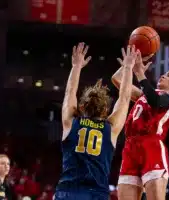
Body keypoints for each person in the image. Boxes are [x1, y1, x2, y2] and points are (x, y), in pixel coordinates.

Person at [54, 43, 139, 200]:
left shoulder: (71, 122)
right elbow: (125, 98)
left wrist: (76, 66)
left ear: (81, 106)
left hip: (68, 192)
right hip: (96, 194)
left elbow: (69, 92)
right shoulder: (111, 128)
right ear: (106, 110)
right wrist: (128, 68)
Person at [112, 50, 169, 200]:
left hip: (152, 146)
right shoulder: (144, 95)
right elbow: (117, 80)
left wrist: (140, 73)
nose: (164, 75)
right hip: (130, 147)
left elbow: (157, 103)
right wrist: (129, 65)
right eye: (164, 73)